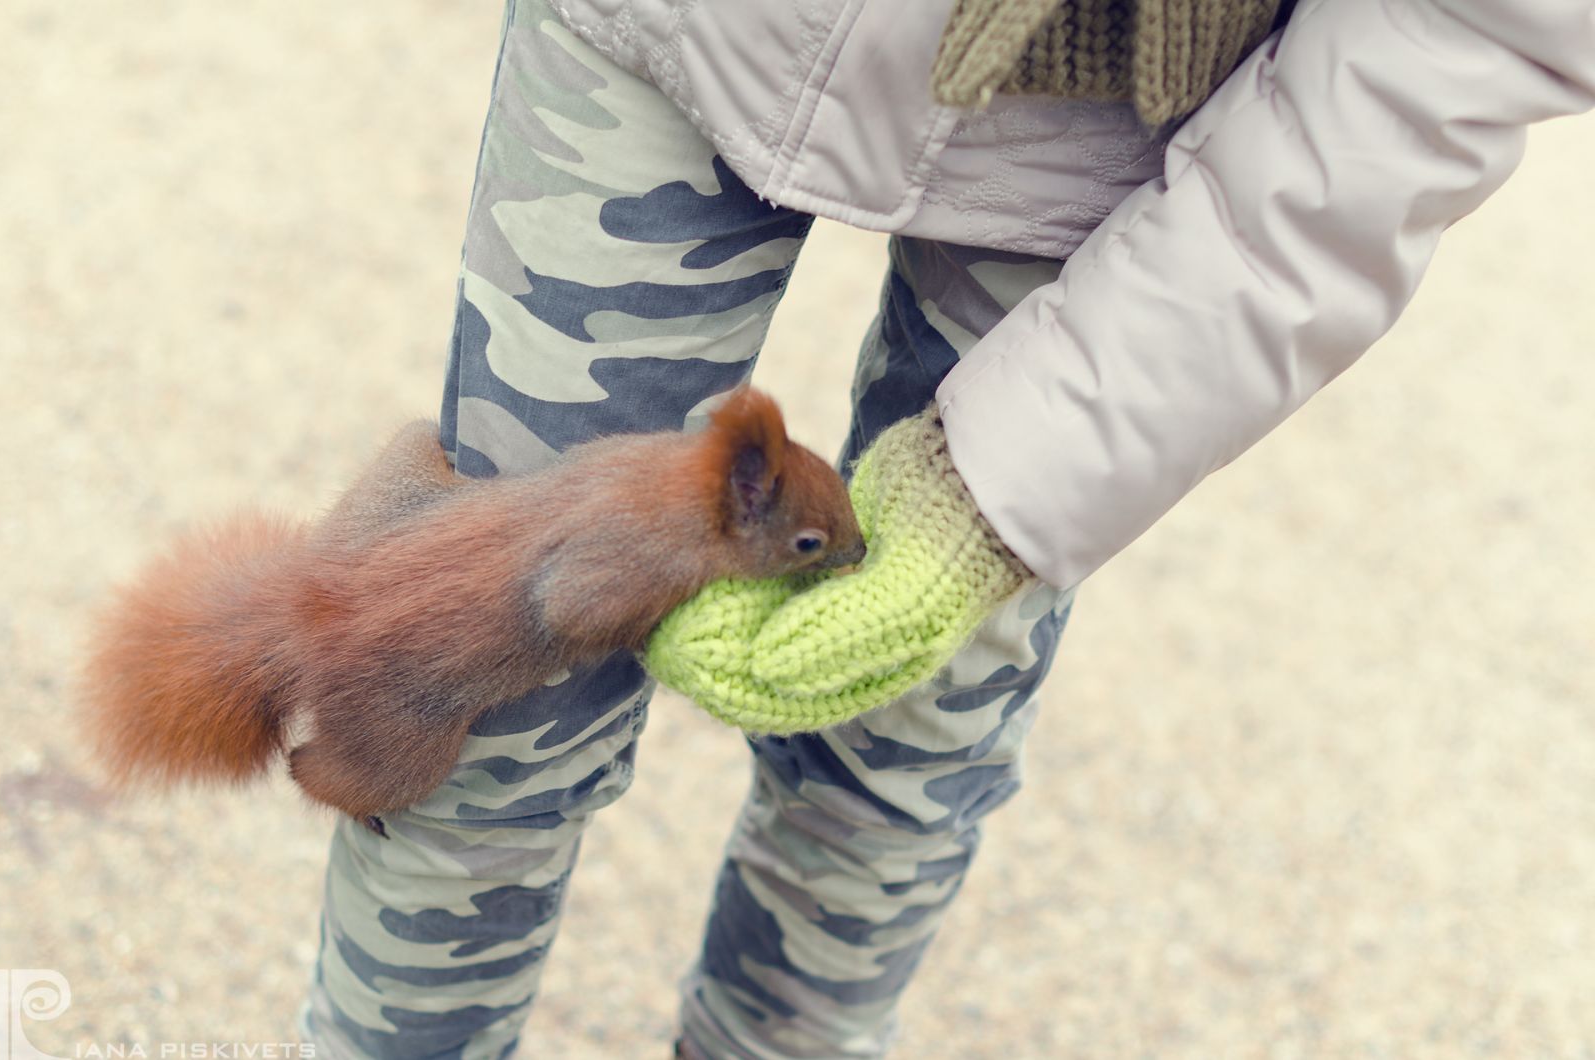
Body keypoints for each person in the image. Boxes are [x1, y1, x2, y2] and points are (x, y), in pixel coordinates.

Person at [299, 0, 1595, 1056]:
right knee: (473, 666)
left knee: (903, 751)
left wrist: (1007, 488)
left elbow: (1447, 48)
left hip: (1102, 132)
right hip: (663, 39)